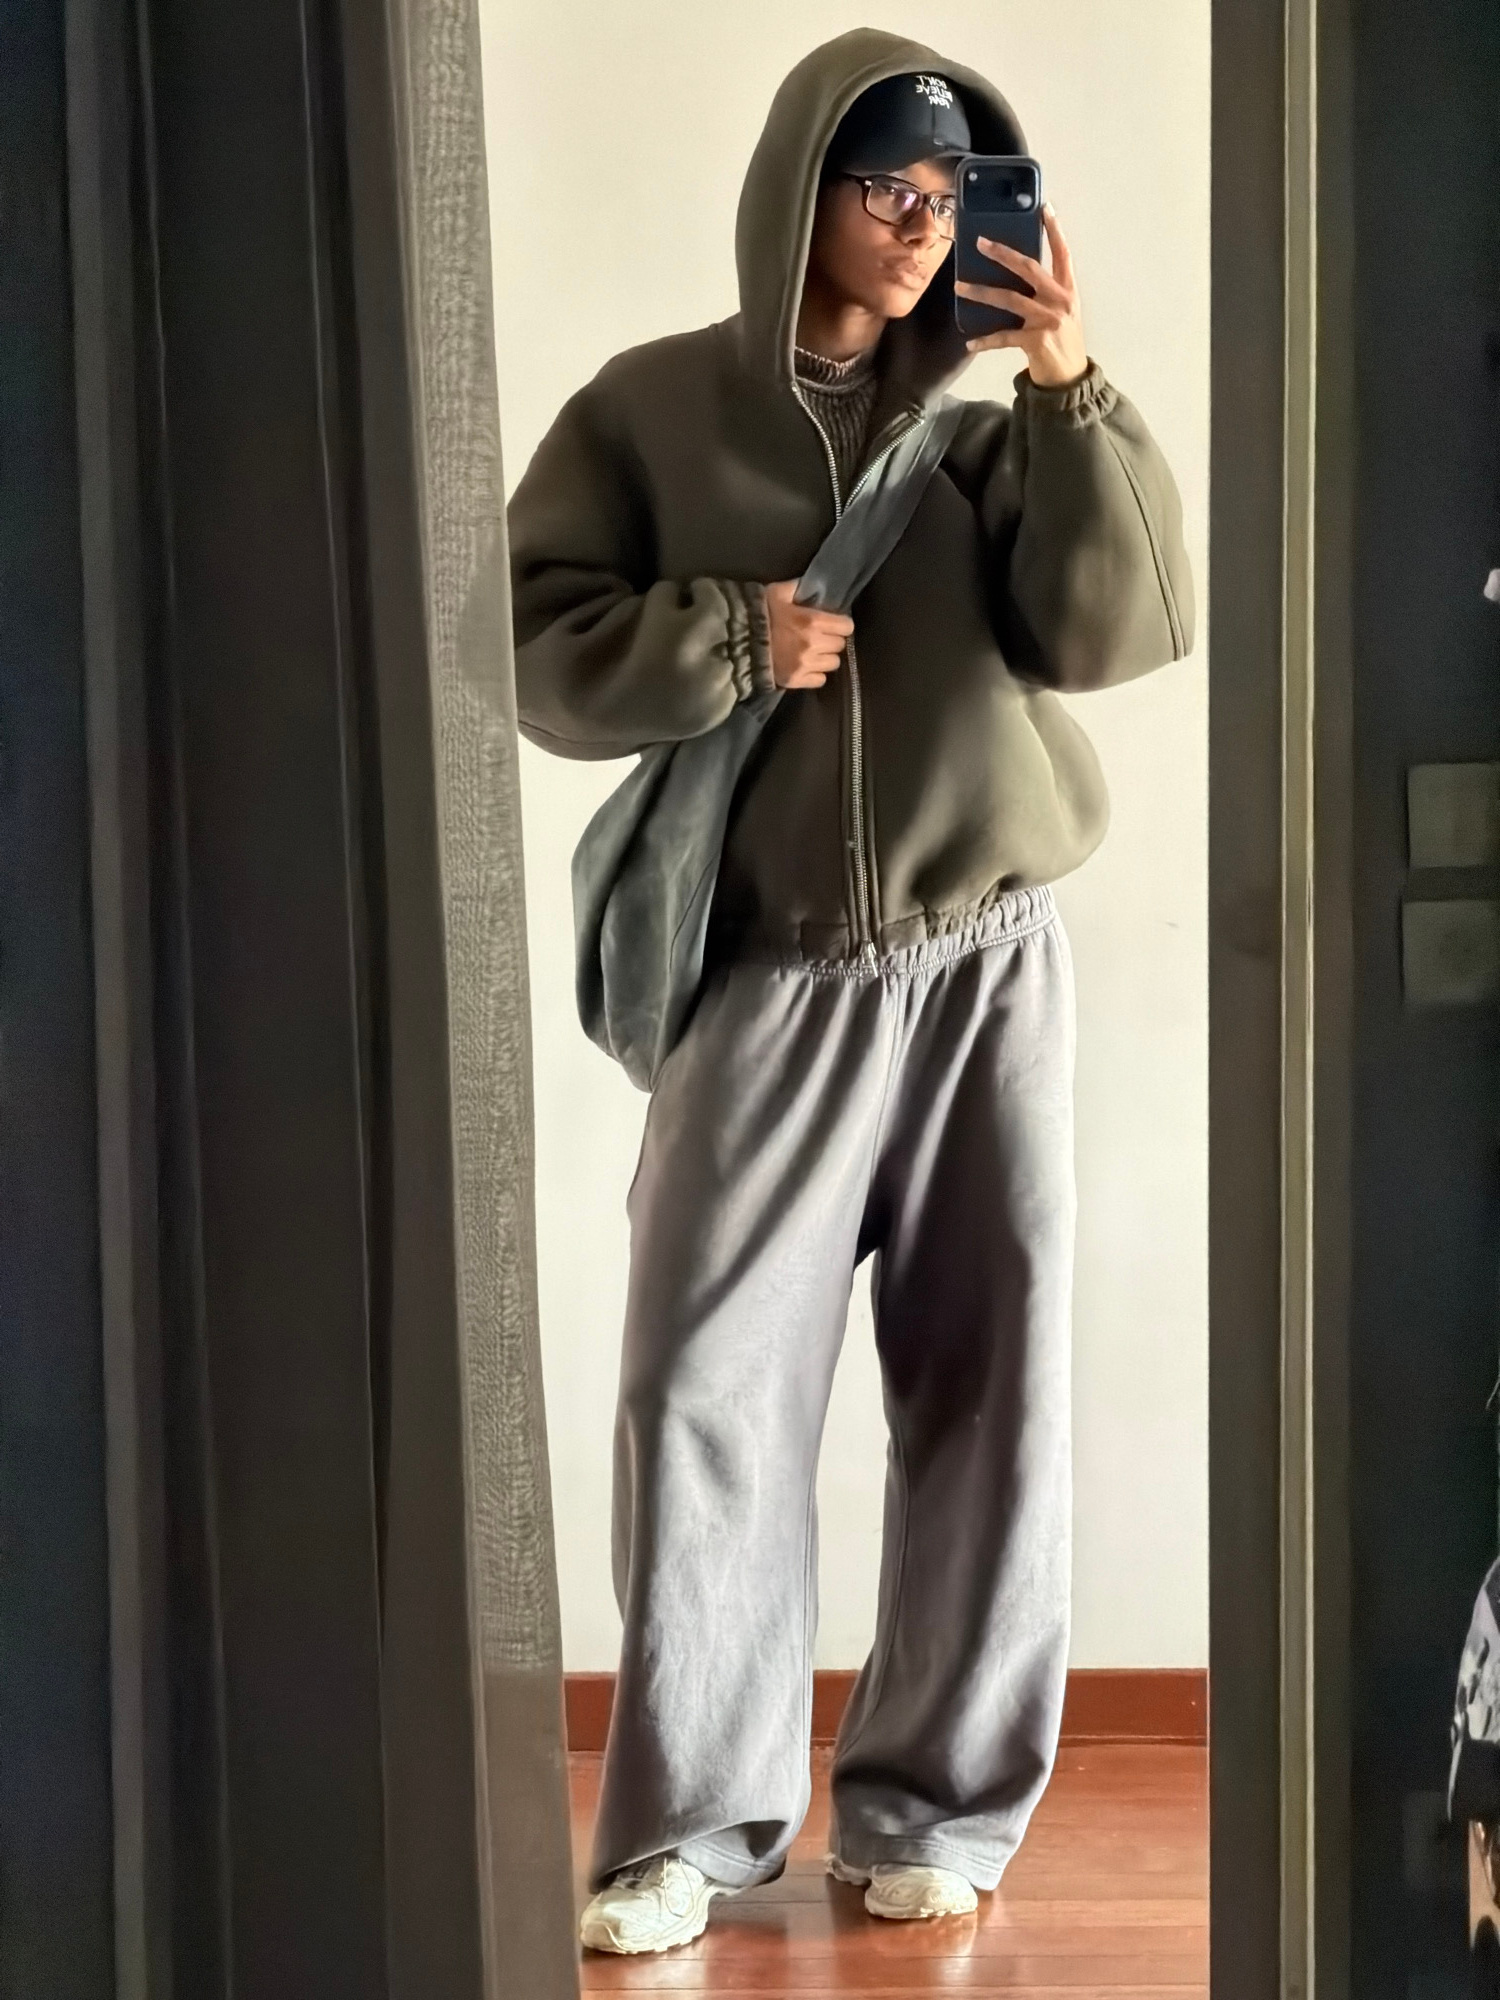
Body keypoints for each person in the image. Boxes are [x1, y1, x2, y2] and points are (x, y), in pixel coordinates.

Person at [508, 28, 1193, 1958]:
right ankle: (690, 1827)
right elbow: (528, 642)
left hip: (989, 967)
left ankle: (940, 1810)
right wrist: (732, 635)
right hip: (771, 976)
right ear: (800, 189)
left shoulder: (996, 421)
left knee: (991, 1388)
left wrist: (1069, 384)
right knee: (701, 1388)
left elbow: (1117, 630)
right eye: (886, 186)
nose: (919, 227)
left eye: (951, 195)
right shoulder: (650, 414)